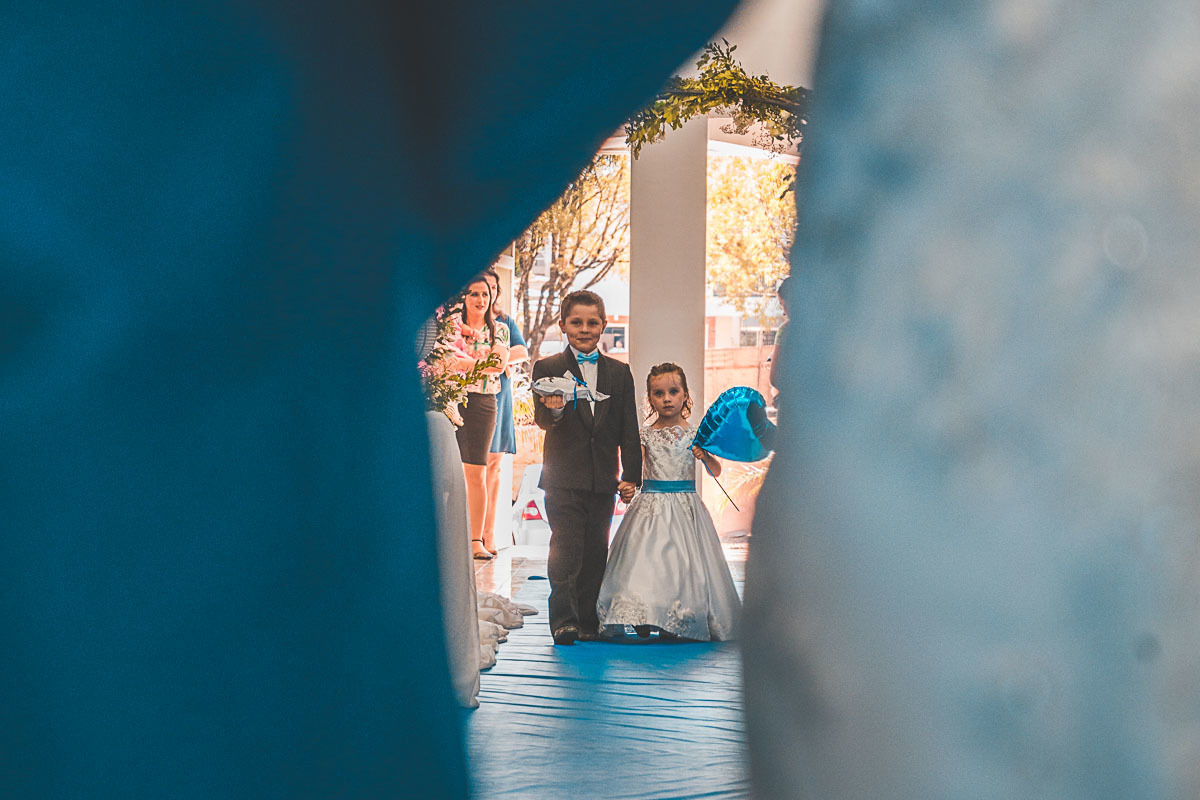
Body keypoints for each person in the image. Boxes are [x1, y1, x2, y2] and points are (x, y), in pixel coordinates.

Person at [596, 362, 741, 642]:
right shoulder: (645, 434)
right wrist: (627, 485)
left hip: (686, 506)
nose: (666, 399)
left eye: (673, 392)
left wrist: (705, 456)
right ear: (649, 398)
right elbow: (634, 470)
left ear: (685, 395)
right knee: (647, 561)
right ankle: (644, 614)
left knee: (681, 564)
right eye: (658, 393)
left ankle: (680, 616)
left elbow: (716, 471)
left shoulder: (696, 433)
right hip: (651, 505)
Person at [533, 290, 641, 645]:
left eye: (592, 322)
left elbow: (629, 427)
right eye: (576, 322)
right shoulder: (547, 368)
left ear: (604, 325)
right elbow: (544, 421)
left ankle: (588, 619)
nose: (584, 329)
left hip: (602, 479)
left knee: (597, 549)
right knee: (564, 548)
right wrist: (558, 408)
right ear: (563, 325)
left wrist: (631, 475)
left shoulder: (620, 373)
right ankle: (563, 621)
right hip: (563, 477)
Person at [452, 277, 510, 560]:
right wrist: (479, 363)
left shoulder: (499, 330)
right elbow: (441, 364)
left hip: (483, 403)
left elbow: (498, 364)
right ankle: (448, 537)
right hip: (449, 401)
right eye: (473, 293)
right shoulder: (450, 328)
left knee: (476, 472)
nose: (479, 299)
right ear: (463, 297)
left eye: (484, 294)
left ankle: (476, 540)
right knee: (448, 471)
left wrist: (463, 363)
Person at [481, 269, 530, 555]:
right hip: (471, 395)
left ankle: (488, 533)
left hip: (499, 393)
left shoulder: (504, 322)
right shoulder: (458, 323)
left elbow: (521, 351)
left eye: (491, 289)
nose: (486, 294)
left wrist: (493, 360)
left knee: (494, 464)